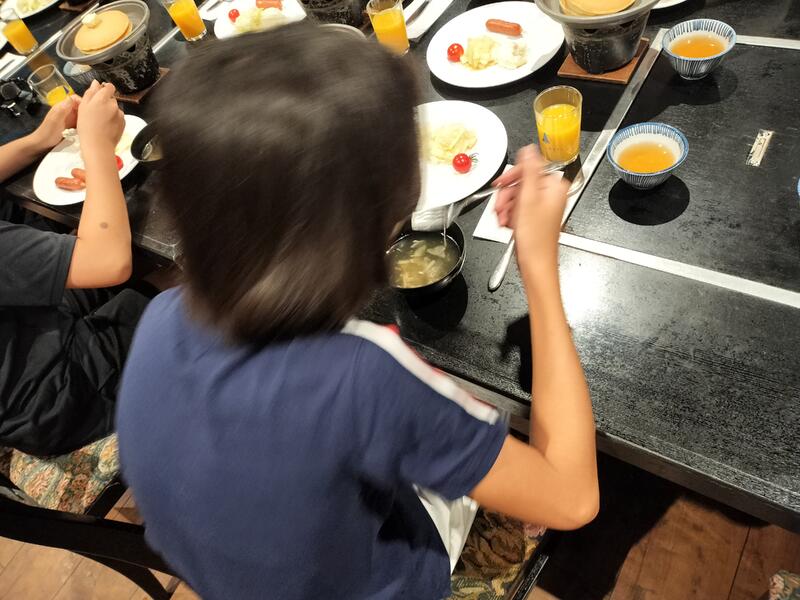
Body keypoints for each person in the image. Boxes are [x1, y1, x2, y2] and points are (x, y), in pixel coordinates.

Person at [116, 24, 599, 600]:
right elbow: (573, 499)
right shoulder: (362, 375)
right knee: (505, 439)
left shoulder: (160, 315)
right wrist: (539, 267)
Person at [0, 81, 150, 456]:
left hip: (33, 323)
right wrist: (97, 146)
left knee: (136, 253)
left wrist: (39, 140)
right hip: (60, 395)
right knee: (180, 286)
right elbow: (109, 263)